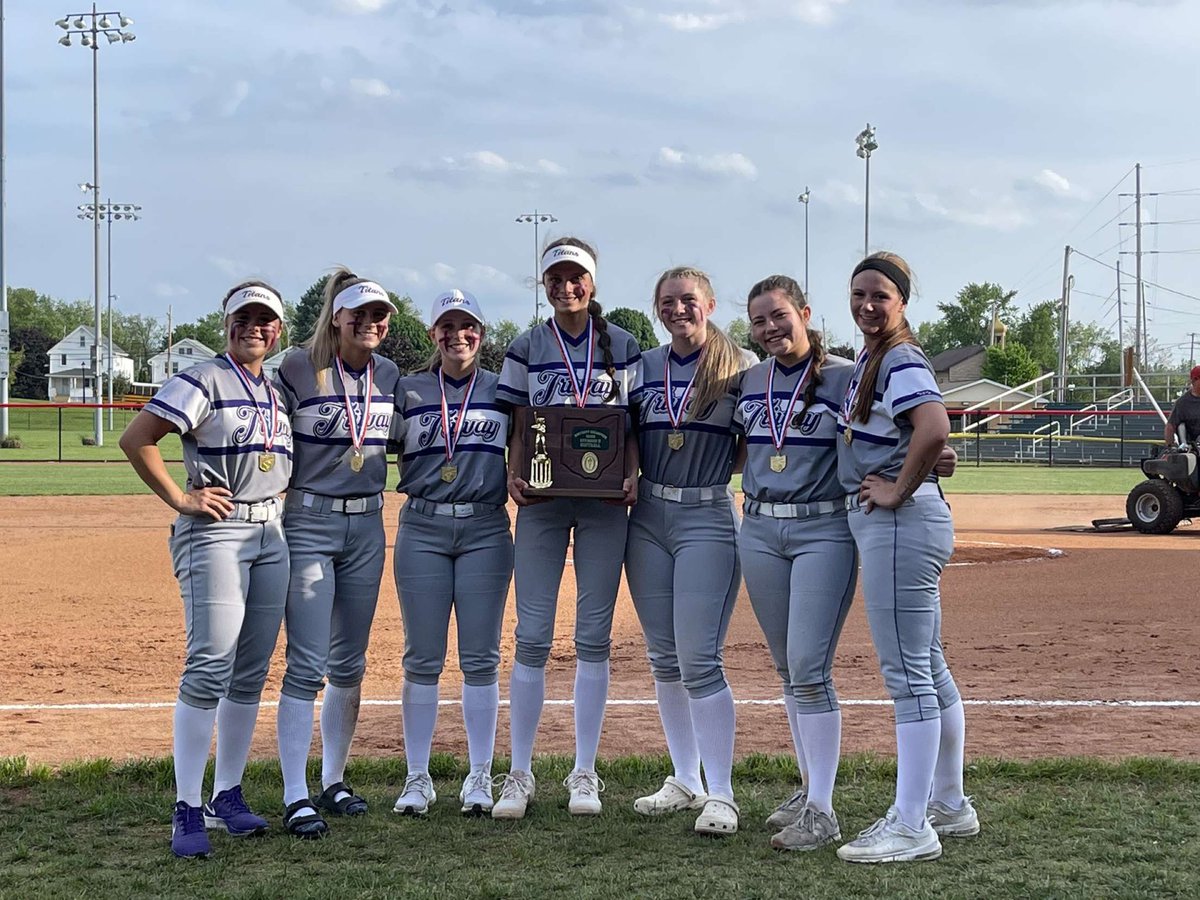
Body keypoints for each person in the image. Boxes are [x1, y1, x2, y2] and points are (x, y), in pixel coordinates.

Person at [119, 281, 292, 859]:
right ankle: (186, 805)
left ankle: (227, 795)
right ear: (227, 324)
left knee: (249, 670)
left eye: (265, 320)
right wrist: (180, 498)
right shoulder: (205, 378)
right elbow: (138, 436)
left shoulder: (273, 390)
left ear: (279, 330)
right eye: (244, 318)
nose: (255, 327)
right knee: (210, 664)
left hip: (272, 533)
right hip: (217, 531)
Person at [491, 237, 642, 819]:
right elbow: (515, 421)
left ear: (593, 283)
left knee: (593, 636)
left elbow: (633, 427)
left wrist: (630, 475)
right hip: (544, 496)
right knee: (531, 636)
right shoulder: (527, 345)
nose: (565, 286)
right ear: (544, 285)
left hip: (605, 502)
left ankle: (584, 771)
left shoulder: (624, 345)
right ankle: (520, 773)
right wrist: (513, 473)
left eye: (575, 276)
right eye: (555, 277)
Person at [834, 252, 976, 864]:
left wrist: (899, 487)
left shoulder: (899, 356)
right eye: (859, 294)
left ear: (902, 302)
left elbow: (934, 428)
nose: (868, 305)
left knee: (909, 677)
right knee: (930, 666)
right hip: (908, 524)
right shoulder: (874, 357)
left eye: (880, 296)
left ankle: (913, 824)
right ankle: (949, 801)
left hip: (900, 524)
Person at [625, 266, 754, 836]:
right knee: (663, 658)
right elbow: (621, 432)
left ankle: (722, 793)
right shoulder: (643, 367)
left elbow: (759, 439)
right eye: (668, 302)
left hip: (706, 513)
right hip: (648, 516)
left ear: (710, 303)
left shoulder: (740, 367)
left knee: (700, 659)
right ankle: (685, 778)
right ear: (657, 309)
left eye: (688, 300)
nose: (678, 310)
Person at [272, 269, 400, 838]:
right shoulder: (299, 367)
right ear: (337, 317)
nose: (370, 323)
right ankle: (295, 793)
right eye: (359, 314)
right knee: (306, 662)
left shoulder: (391, 374)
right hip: (309, 521)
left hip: (368, 523)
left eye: (379, 315)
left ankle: (334, 778)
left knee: (350, 662)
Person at [733, 274, 858, 852]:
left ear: (804, 313)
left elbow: (889, 434)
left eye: (778, 315)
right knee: (788, 668)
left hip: (823, 528)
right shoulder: (750, 379)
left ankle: (824, 811)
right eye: (758, 321)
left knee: (810, 666)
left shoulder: (844, 376)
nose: (769, 328)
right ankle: (810, 789)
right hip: (758, 528)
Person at [389, 289, 514, 818]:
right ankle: (418, 778)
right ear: (432, 332)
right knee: (422, 657)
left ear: (481, 336)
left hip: (486, 527)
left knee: (481, 659)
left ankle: (479, 776)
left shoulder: (504, 389)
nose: (457, 335)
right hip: (422, 525)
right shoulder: (409, 389)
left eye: (468, 327)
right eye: (447, 326)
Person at [1163, 365, 1200, 447]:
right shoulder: (1182, 403)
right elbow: (1170, 426)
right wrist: (1171, 446)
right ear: (1194, 380)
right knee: (1181, 426)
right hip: (1191, 450)